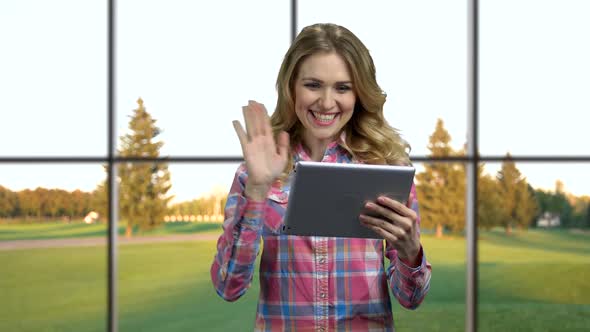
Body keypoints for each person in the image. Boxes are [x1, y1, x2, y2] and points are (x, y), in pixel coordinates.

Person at [211, 23, 432, 331]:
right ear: (291, 87)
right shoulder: (258, 169)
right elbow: (228, 287)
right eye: (313, 85)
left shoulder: (387, 167)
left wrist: (411, 252)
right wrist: (258, 192)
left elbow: (411, 298)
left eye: (342, 88)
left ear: (359, 93)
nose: (327, 103)